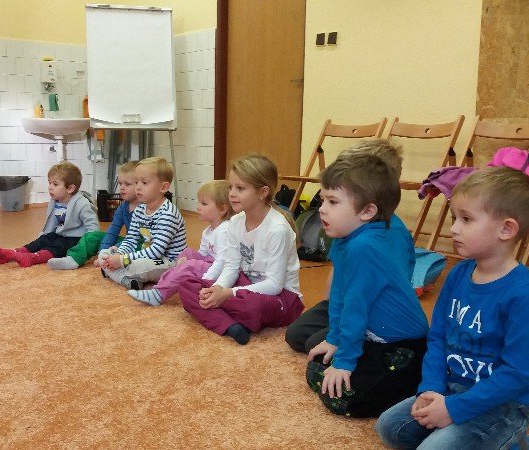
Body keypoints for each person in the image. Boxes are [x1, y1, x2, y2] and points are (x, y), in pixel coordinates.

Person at [376, 167, 529, 449]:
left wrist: (454, 409)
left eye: (467, 219)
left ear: (506, 229)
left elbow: (518, 373)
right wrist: (431, 388)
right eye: (454, 218)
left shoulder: (528, 295)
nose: (454, 229)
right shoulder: (459, 274)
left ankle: (514, 440)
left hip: (504, 404)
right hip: (452, 387)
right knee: (389, 428)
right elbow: (438, 337)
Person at [305, 151, 429, 418]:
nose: (322, 208)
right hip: (372, 335)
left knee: (343, 399)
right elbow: (339, 294)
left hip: (403, 344)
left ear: (367, 211)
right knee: (318, 364)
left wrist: (344, 362)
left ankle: (414, 379)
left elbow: (355, 307)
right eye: (323, 199)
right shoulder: (344, 238)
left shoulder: (364, 247)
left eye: (333, 202)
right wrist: (335, 339)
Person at [285, 139, 415, 354]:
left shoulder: (391, 233)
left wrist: (340, 335)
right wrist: (333, 312)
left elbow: (379, 289)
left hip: (372, 307)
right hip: (347, 300)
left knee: (314, 345)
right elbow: (337, 276)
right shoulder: (347, 224)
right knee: (296, 334)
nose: (323, 208)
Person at [175, 154, 304, 345]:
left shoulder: (277, 229)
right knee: (187, 284)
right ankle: (231, 326)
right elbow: (231, 267)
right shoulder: (235, 222)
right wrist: (218, 288)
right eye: (231, 187)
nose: (231, 193)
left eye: (240, 188)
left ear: (263, 192)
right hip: (245, 285)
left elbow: (275, 285)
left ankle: (221, 316)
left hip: (281, 297)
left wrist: (228, 294)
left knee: (251, 307)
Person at [127, 179, 234, 306]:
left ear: (222, 209)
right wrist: (186, 261)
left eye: (204, 204)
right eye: (199, 202)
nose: (198, 207)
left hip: (219, 270)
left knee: (190, 265)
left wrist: (206, 278)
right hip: (210, 263)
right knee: (187, 253)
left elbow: (223, 261)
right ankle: (169, 280)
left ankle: (159, 294)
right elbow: (202, 254)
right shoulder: (208, 231)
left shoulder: (225, 229)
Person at [100, 156, 187, 289]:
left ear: (163, 187)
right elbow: (131, 239)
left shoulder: (168, 213)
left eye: (144, 183)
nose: (138, 187)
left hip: (168, 262)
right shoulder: (140, 210)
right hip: (146, 255)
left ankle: (117, 274)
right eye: (136, 182)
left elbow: (156, 251)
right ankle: (126, 278)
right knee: (105, 254)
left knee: (138, 266)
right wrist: (119, 255)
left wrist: (123, 261)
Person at [0, 161, 98, 268]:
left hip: (77, 239)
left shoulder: (82, 204)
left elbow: (93, 227)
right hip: (61, 234)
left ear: (70, 188)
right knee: (43, 240)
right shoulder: (55, 201)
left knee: (58, 246)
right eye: (49, 183)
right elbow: (52, 223)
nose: (50, 187)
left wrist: (89, 245)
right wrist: (44, 235)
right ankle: (13, 253)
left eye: (55, 184)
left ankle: (32, 258)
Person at [47, 161, 141, 270]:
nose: (122, 188)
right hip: (128, 242)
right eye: (120, 184)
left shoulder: (147, 207)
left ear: (140, 185)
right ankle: (74, 259)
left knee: (135, 244)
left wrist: (116, 248)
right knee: (93, 236)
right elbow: (113, 231)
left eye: (127, 184)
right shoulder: (123, 207)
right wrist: (103, 251)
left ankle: (112, 257)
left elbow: (146, 240)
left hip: (142, 246)